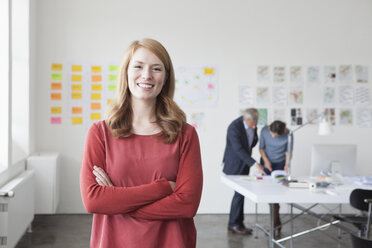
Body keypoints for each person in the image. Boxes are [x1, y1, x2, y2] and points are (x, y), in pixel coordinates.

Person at [80, 38, 203, 248]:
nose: (146, 75)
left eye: (156, 68)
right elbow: (93, 200)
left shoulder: (185, 134)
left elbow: (187, 205)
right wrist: (163, 188)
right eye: (138, 66)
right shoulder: (100, 133)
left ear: (165, 78)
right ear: (126, 72)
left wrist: (117, 201)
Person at [222, 108, 266, 235]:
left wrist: (250, 162)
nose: (254, 125)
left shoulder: (253, 124)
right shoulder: (234, 128)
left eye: (256, 122)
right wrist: (255, 163)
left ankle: (239, 224)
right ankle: (233, 225)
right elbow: (238, 149)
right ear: (244, 119)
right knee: (238, 194)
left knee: (241, 194)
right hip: (234, 165)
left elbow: (252, 142)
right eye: (252, 123)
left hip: (245, 163)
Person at [259, 120, 293, 237]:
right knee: (270, 195)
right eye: (272, 133)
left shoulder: (288, 134)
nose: (273, 136)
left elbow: (289, 152)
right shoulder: (264, 130)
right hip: (266, 162)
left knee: (277, 194)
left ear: (283, 131)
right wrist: (266, 161)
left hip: (280, 164)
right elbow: (261, 148)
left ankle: (275, 225)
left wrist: (287, 165)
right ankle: (276, 224)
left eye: (276, 135)